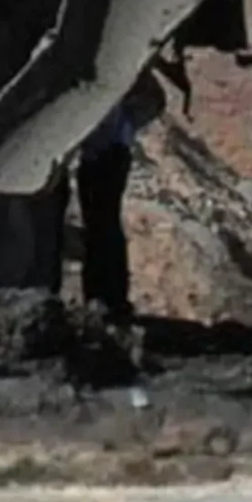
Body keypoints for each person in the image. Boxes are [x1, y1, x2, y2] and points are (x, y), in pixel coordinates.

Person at [72, 73, 166, 322]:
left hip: (104, 153)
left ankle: (103, 299)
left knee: (100, 227)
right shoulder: (118, 72)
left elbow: (155, 99)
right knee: (104, 226)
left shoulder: (106, 72)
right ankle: (108, 298)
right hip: (111, 150)